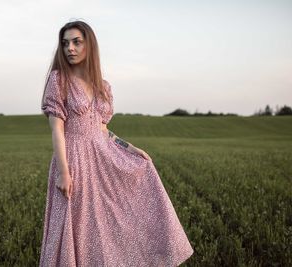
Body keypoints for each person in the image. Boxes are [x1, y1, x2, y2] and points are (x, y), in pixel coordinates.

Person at [39, 20, 194, 266]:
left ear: (89, 45)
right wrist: (63, 171)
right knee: (73, 225)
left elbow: (103, 131)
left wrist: (130, 148)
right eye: (65, 43)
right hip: (74, 160)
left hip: (101, 161)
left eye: (77, 42)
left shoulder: (103, 87)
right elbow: (57, 129)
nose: (70, 48)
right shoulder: (59, 80)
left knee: (103, 226)